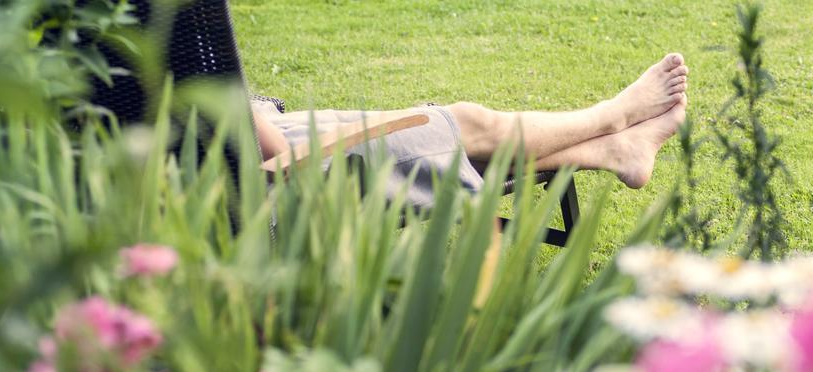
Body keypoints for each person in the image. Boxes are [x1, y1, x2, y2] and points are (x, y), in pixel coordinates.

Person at [251, 54, 689, 210]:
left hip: (246, 143)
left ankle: (614, 149)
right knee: (466, 126)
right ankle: (612, 121)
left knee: (443, 134)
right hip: (269, 176)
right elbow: (271, 156)